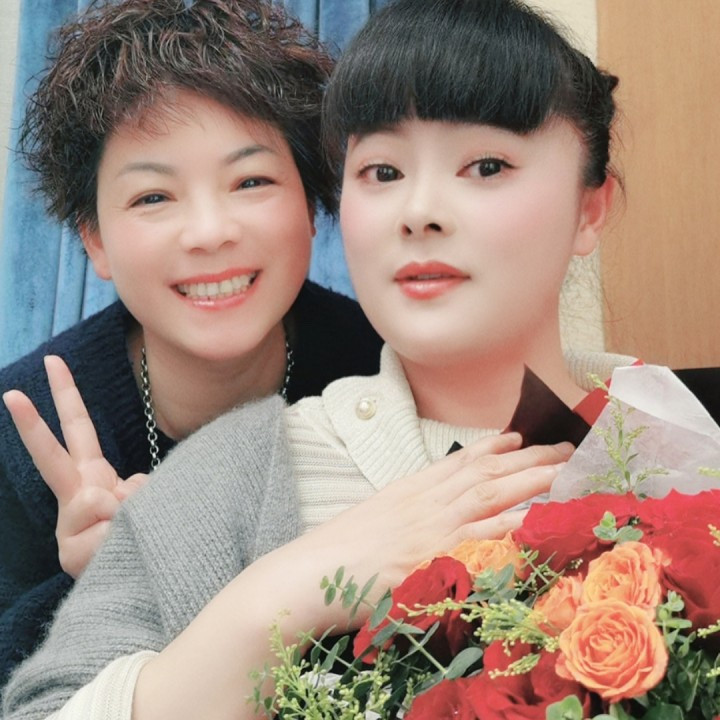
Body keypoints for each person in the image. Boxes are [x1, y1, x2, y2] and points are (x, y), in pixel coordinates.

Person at [2, 0, 633, 717]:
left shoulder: (672, 440)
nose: (419, 212)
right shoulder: (223, 473)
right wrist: (278, 584)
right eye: (383, 170)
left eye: (487, 166)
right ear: (93, 238)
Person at [0, 0, 384, 689]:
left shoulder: (383, 368)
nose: (209, 232)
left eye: (251, 181)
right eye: (153, 197)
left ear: (310, 206)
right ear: (95, 239)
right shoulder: (27, 428)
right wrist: (95, 585)